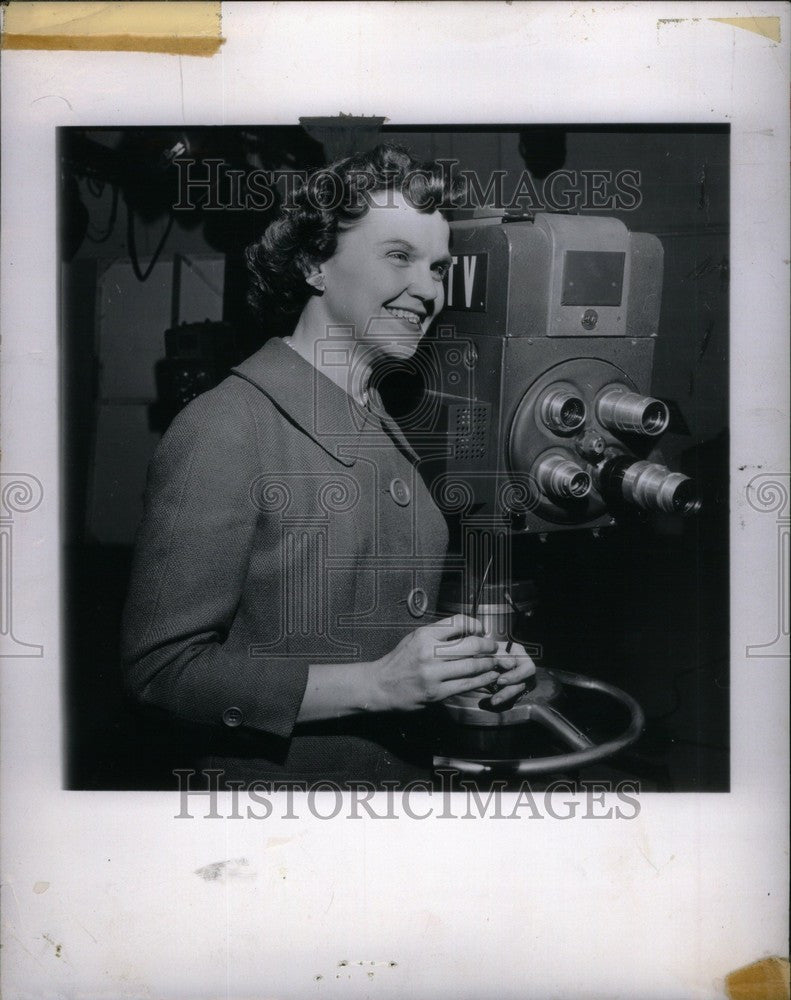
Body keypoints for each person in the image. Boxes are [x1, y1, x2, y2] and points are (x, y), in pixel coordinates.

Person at [121, 144, 535, 787]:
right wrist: (374, 686)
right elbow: (161, 673)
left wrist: (466, 665)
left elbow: (369, 617)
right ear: (315, 263)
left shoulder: (383, 419)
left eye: (439, 267)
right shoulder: (225, 428)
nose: (428, 289)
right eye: (399, 256)